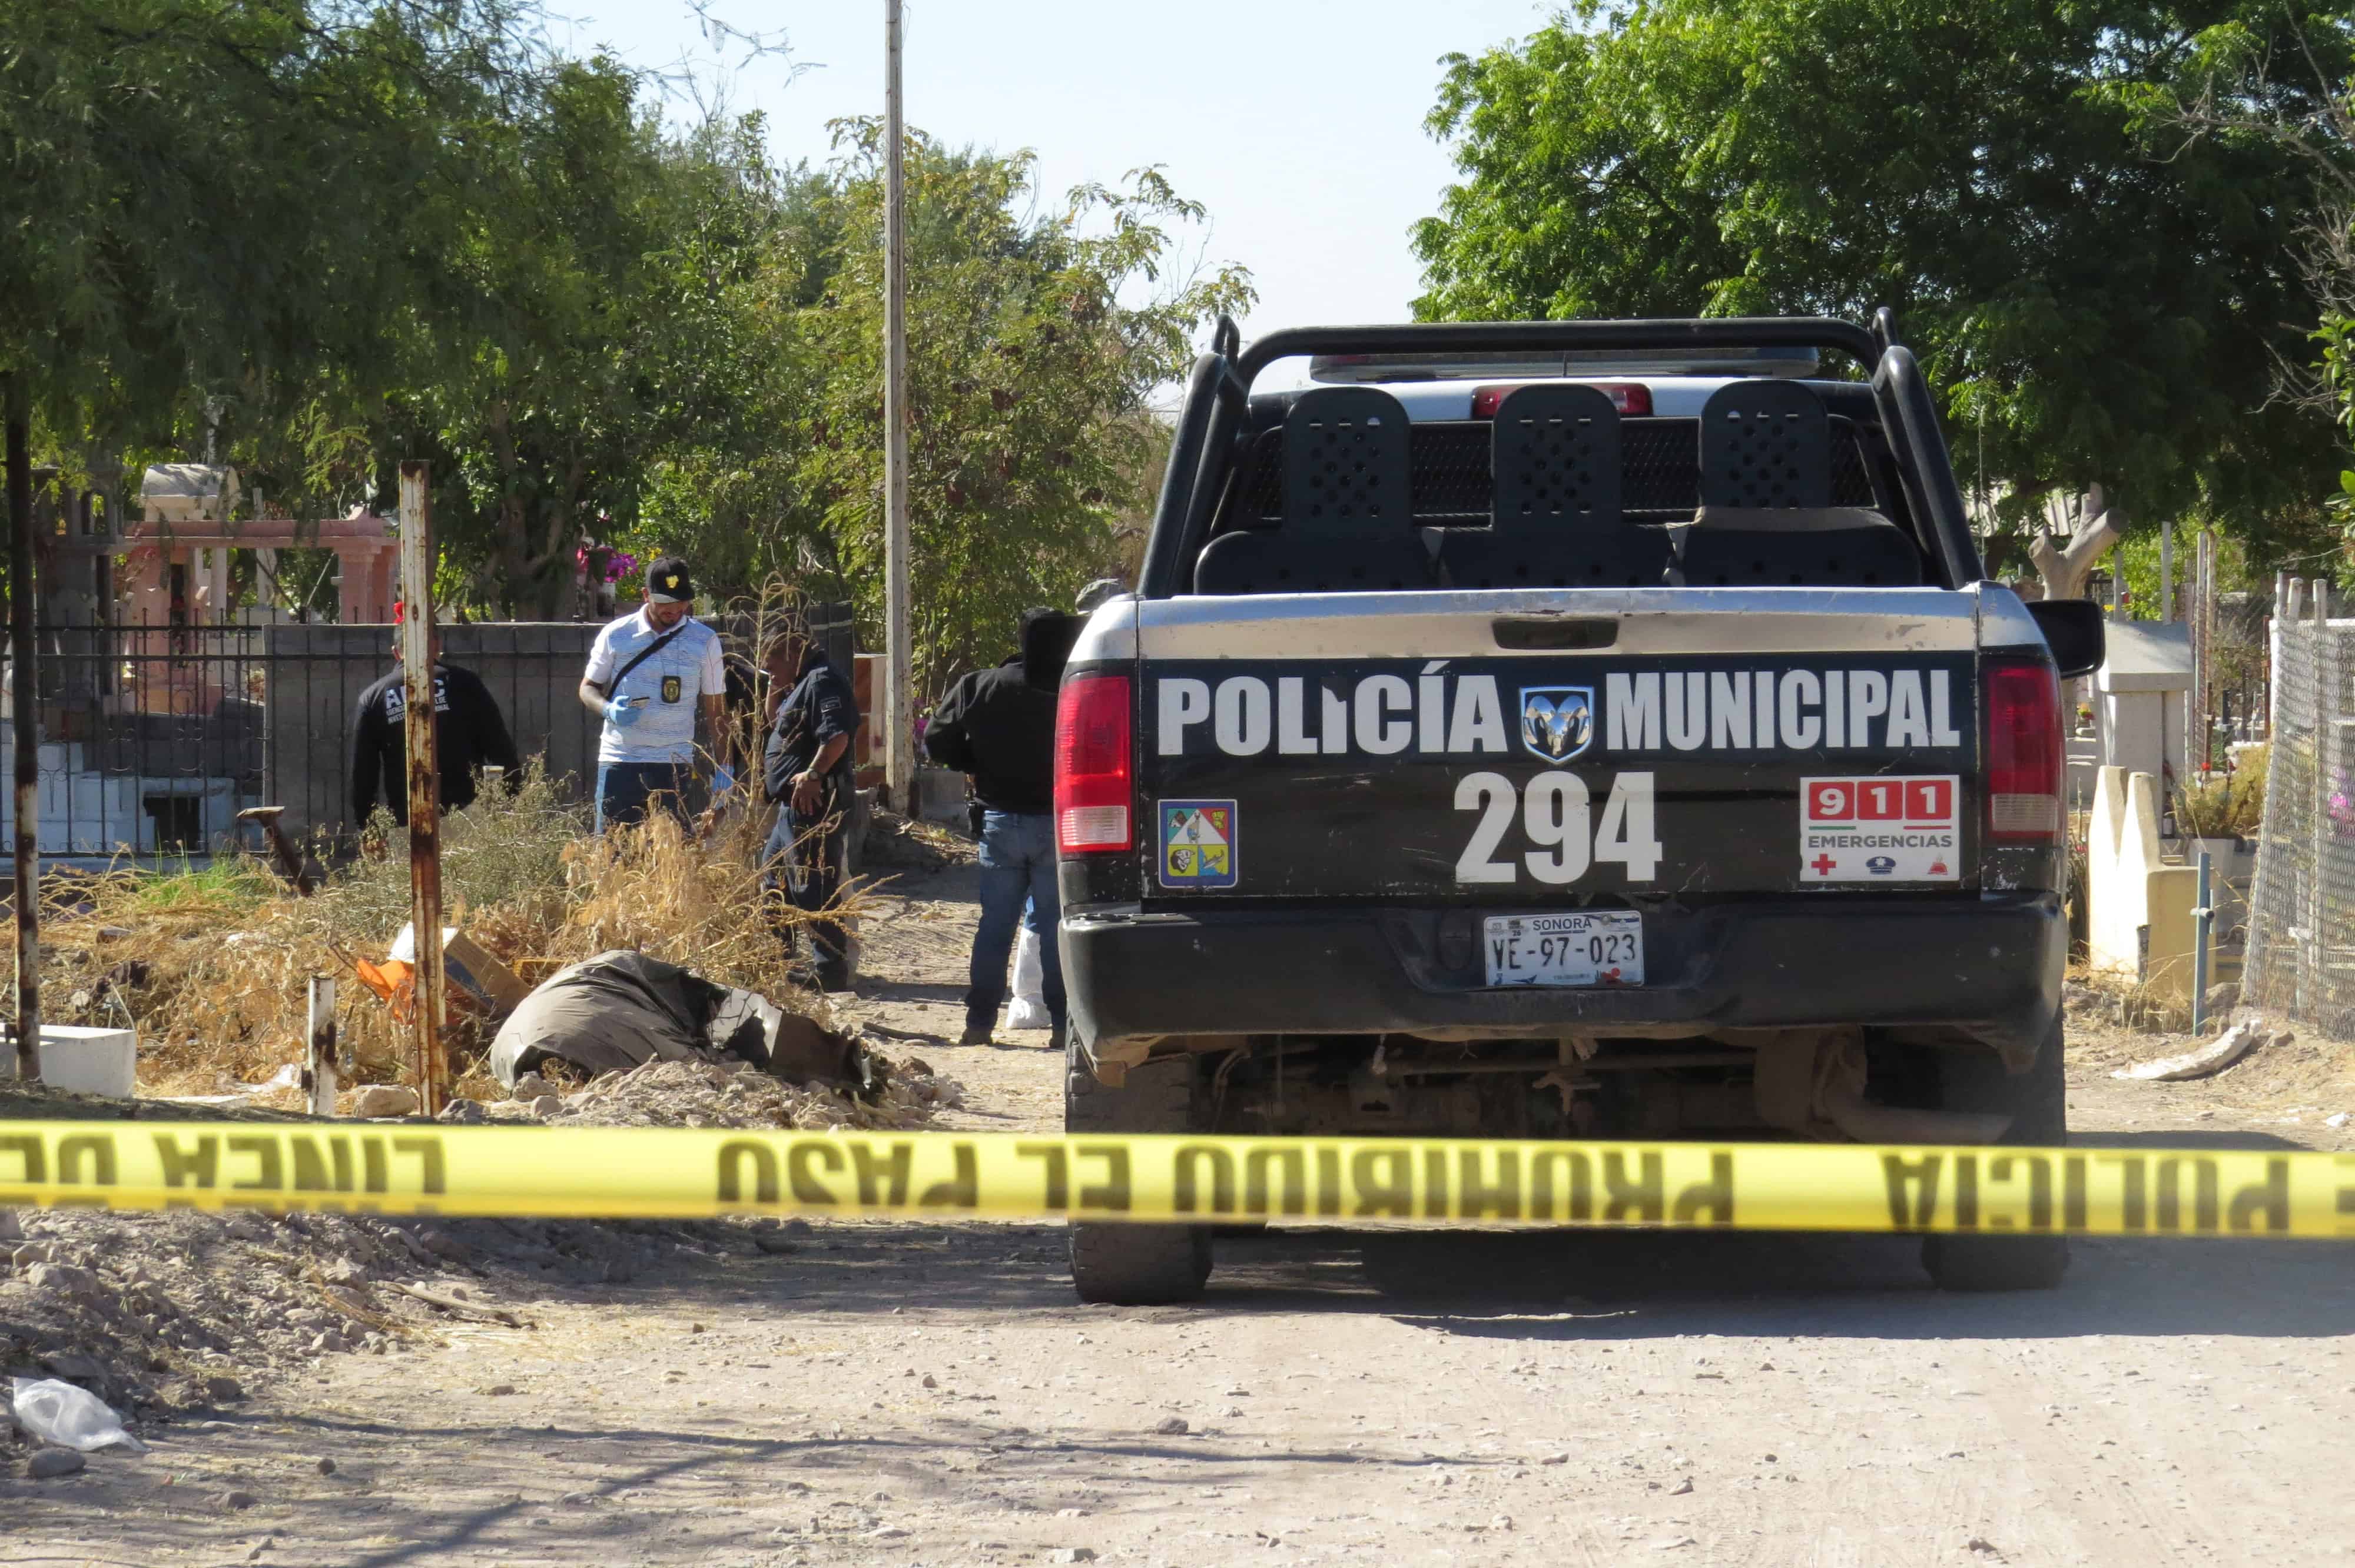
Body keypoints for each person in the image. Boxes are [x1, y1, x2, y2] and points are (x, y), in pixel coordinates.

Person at [924, 607, 1076, 1047]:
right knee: (1055, 930)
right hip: (1058, 824)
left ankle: (979, 1024)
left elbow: (936, 738)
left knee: (995, 928)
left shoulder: (980, 685)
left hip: (1000, 822)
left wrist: (975, 764)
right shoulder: (1073, 688)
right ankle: (1063, 1028)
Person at [578, 555, 732, 834]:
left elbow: (716, 711)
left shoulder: (705, 641)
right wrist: (608, 709)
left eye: (681, 602)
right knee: (614, 858)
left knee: (670, 860)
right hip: (621, 761)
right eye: (664, 602)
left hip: (674, 766)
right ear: (646, 595)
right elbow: (588, 689)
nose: (673, 610)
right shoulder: (616, 635)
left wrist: (725, 772)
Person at [761, 617, 863, 991]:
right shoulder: (801, 683)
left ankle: (830, 973)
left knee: (813, 886)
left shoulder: (821, 680)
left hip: (814, 804)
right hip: (793, 806)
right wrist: (775, 690)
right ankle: (780, 960)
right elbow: (784, 726)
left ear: (792, 653)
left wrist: (814, 774)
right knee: (773, 879)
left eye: (773, 665)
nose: (769, 672)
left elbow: (836, 735)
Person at [349, 614, 521, 826]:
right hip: (467, 816)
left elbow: (363, 775)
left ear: (396, 653)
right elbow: (500, 748)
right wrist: (511, 800)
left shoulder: (373, 698)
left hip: (408, 822)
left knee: (415, 862)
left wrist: (368, 828)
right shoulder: (464, 683)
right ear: (437, 644)